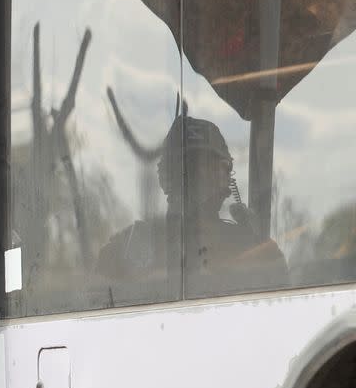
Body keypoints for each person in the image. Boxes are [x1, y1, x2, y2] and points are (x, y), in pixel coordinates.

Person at [97, 116, 287, 293]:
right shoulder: (126, 249)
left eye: (206, 165)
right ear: (168, 175)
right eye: (189, 165)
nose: (196, 175)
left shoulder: (254, 248)